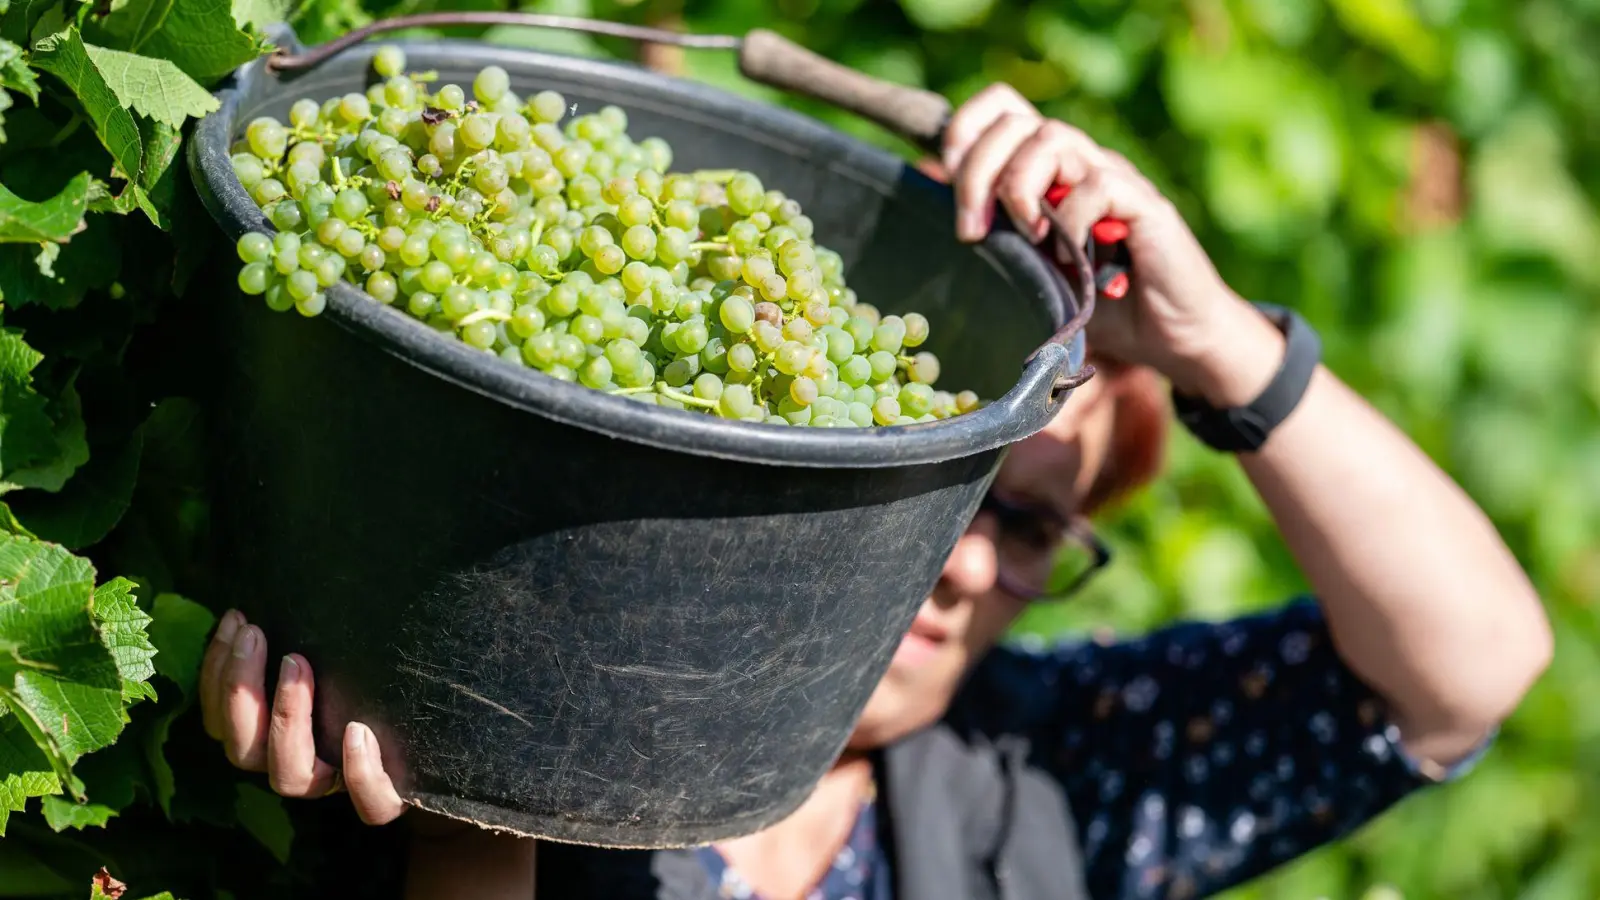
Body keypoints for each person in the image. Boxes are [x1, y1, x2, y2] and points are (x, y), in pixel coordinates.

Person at [198, 84, 1552, 900]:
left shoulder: (1050, 782)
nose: (957, 556)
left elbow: (1471, 669)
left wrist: (1218, 347)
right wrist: (474, 801)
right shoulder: (520, 637)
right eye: (940, 484)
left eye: (1024, 523)